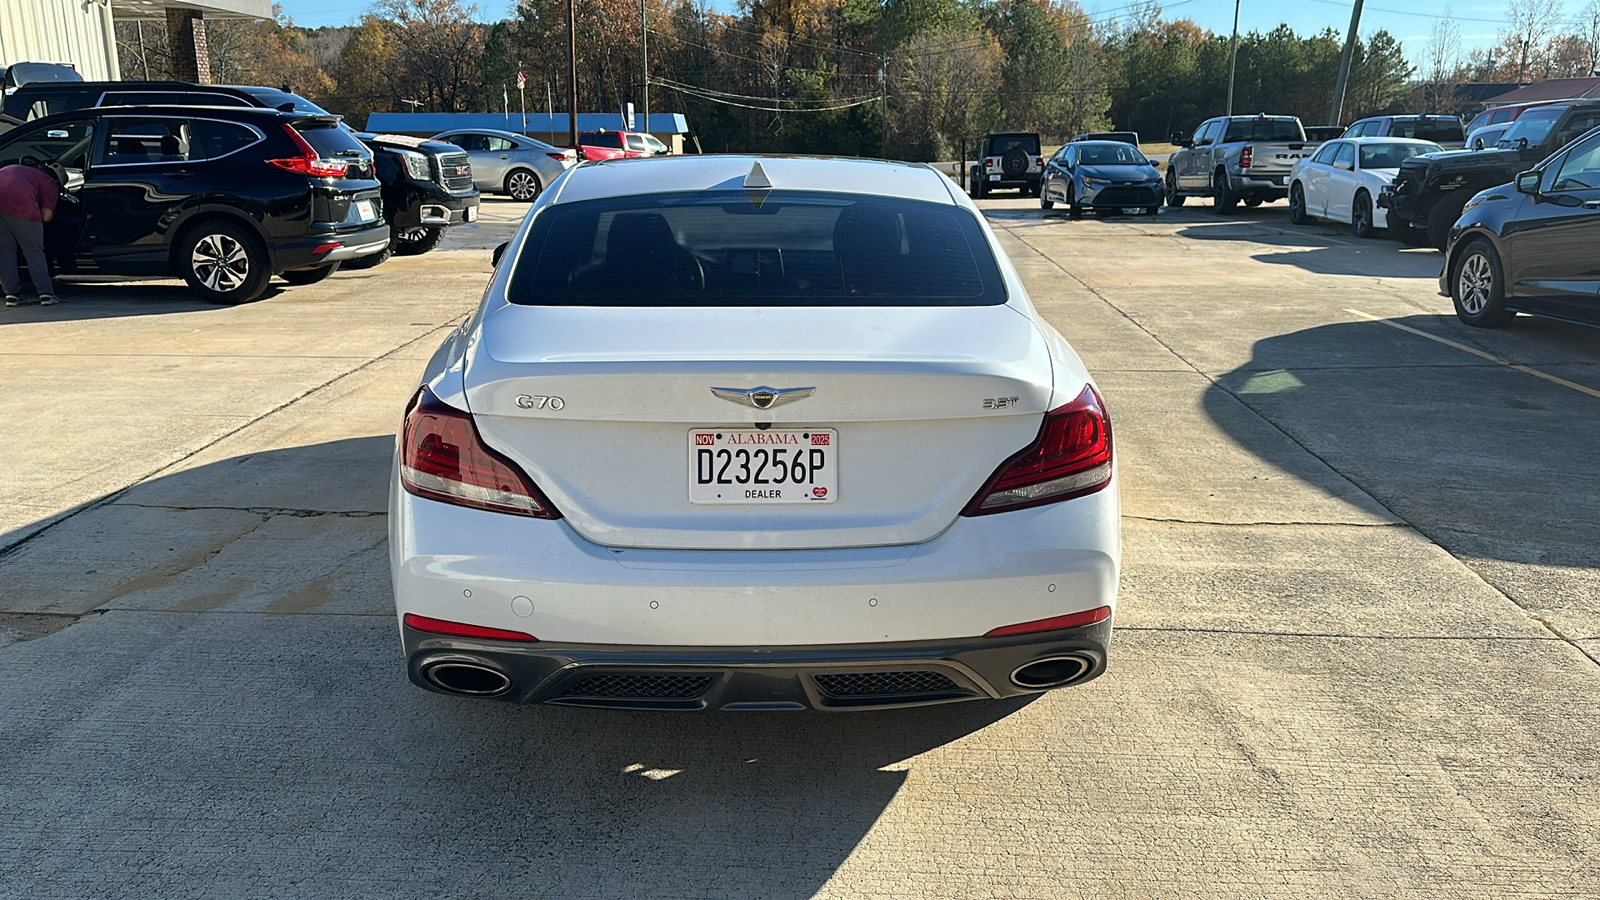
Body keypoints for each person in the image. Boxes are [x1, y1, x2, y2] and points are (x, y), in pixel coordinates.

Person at [0, 159, 62, 307]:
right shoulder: (51, 184)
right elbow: (47, 216)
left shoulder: (22, 171)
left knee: (4, 252)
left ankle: (12, 295)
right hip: (19, 204)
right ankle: (46, 294)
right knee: (33, 251)